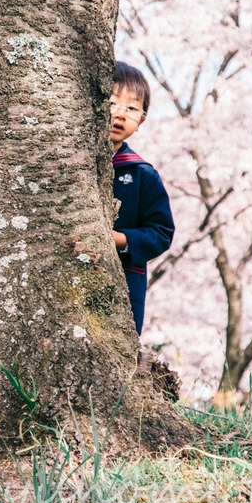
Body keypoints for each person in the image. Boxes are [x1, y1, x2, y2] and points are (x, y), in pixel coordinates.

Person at [109, 62, 174, 334]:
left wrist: (121, 239)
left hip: (123, 279)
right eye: (112, 102)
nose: (120, 114)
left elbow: (162, 231)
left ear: (142, 121)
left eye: (132, 108)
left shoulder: (141, 173)